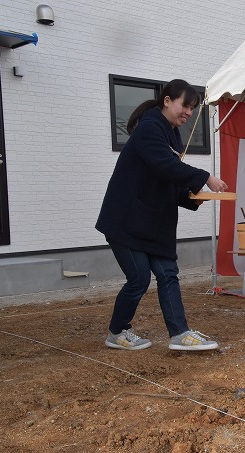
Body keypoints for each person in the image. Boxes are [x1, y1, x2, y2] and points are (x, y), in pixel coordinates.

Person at [96, 79, 227, 352]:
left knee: (168, 273)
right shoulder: (149, 128)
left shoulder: (170, 134)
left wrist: (192, 198)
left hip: (153, 222)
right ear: (167, 100)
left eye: (192, 108)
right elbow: (163, 165)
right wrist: (204, 177)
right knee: (139, 278)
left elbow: (163, 179)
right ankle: (117, 331)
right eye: (184, 105)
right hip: (125, 221)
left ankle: (180, 334)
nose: (188, 113)